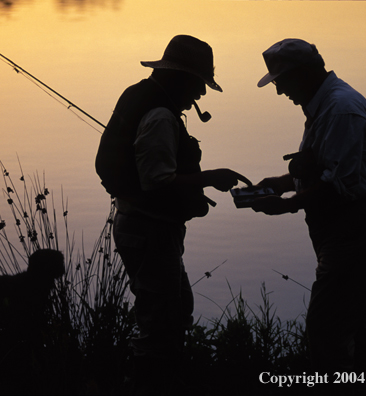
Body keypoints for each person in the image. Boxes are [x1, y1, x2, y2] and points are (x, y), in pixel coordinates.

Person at [95, 35, 250, 395]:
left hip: (142, 225)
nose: (201, 95)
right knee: (161, 322)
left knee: (175, 310)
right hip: (149, 232)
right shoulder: (161, 115)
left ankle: (159, 380)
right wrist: (211, 178)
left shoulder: (140, 96)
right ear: (182, 79)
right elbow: (156, 181)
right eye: (199, 84)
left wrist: (194, 191)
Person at [251, 38, 366, 395]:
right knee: (352, 321)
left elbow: (338, 183)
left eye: (281, 82)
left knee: (325, 328)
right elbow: (321, 167)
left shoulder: (340, 108)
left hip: (351, 224)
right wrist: (279, 184)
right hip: (338, 226)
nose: (280, 92)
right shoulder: (323, 104)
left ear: (304, 74)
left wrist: (289, 203)